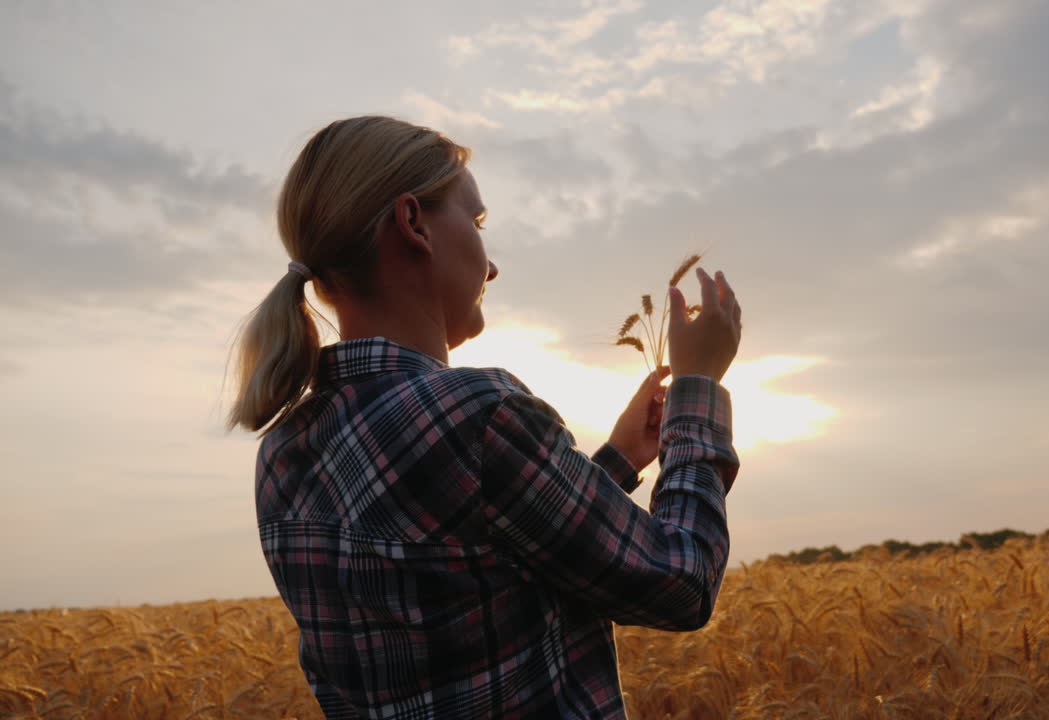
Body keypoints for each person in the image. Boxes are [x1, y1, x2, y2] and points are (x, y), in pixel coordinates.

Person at [225, 115, 742, 719]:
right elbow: (682, 582)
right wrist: (699, 390)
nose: (491, 266)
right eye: (475, 222)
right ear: (412, 223)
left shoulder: (282, 454)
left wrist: (618, 460)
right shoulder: (478, 417)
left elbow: (480, 556)